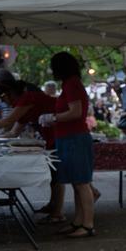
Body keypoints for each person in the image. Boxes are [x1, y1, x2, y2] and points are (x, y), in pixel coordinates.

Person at [0, 79, 66, 223]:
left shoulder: (28, 98)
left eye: (3, 97)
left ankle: (57, 214)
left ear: (11, 93)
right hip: (52, 138)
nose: (4, 102)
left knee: (58, 177)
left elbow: (8, 121)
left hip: (60, 135)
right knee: (53, 176)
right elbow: (13, 132)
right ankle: (53, 206)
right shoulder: (23, 105)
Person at [40, 51, 97, 238]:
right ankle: (78, 221)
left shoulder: (72, 84)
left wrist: (53, 117)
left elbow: (76, 112)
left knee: (82, 183)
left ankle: (88, 224)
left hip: (75, 138)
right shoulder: (69, 84)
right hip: (68, 138)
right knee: (76, 182)